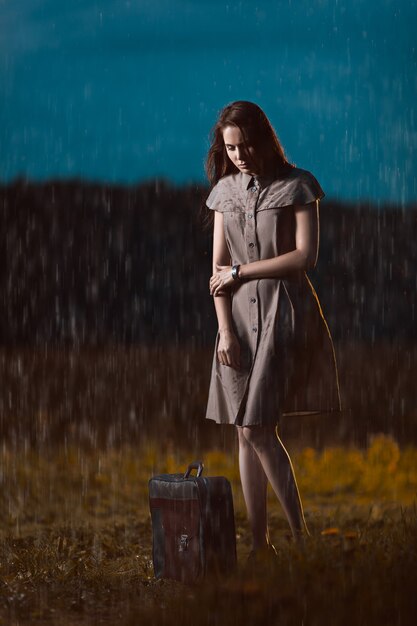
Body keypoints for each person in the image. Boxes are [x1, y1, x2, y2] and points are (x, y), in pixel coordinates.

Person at [204, 101, 341, 562]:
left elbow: (305, 258)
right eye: (230, 147)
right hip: (237, 320)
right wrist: (224, 331)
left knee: (259, 427)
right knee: (244, 431)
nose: (239, 155)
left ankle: (299, 539)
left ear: (263, 139)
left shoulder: (298, 185)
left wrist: (243, 271)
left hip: (284, 312)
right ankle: (261, 545)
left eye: (244, 145)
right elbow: (217, 270)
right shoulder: (223, 192)